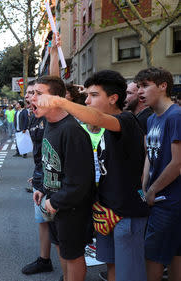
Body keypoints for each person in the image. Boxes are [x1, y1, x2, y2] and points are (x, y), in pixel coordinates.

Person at [37, 70, 150, 281]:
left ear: (113, 98)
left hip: (126, 214)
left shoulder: (126, 120)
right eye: (86, 95)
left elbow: (95, 117)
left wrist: (59, 101)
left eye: (94, 95)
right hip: (106, 212)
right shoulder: (104, 128)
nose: (87, 100)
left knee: (130, 274)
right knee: (112, 269)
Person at [31, 76, 95, 281]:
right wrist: (42, 188)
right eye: (32, 93)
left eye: (39, 94)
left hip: (71, 209)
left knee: (73, 255)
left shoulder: (72, 131)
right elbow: (50, 161)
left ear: (57, 99)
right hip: (53, 203)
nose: (32, 98)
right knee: (60, 247)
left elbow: (80, 182)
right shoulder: (49, 124)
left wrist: (55, 201)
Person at [134, 67, 181, 281]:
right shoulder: (152, 119)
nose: (140, 91)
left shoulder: (176, 116)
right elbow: (149, 156)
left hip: (169, 201)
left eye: (145, 85)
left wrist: (152, 190)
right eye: (139, 86)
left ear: (163, 86)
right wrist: (144, 186)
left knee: (153, 256)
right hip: (157, 198)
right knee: (174, 253)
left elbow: (178, 163)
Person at [21, 82, 55, 276]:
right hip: (39, 175)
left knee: (56, 224)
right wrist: (36, 174)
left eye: (35, 93)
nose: (30, 97)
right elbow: (38, 152)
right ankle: (44, 259)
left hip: (53, 179)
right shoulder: (33, 117)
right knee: (42, 220)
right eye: (28, 93)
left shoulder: (51, 117)